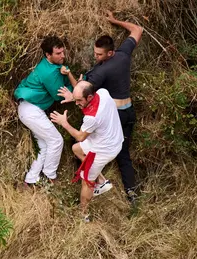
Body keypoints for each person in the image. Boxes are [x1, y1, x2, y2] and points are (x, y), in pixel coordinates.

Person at [81, 11, 143, 205]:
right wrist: (115, 21)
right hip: (129, 111)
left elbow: (84, 91)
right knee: (123, 153)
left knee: (85, 147)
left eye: (99, 54)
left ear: (109, 53)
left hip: (115, 117)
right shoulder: (124, 54)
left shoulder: (100, 72)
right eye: (95, 53)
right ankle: (132, 194)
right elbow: (137, 29)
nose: (96, 57)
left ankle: (98, 182)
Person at [50, 82, 123, 222]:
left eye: (79, 101)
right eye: (75, 100)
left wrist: (63, 122)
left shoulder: (92, 118)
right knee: (76, 149)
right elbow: (80, 141)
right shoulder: (103, 93)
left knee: (87, 182)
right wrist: (73, 97)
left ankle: (83, 214)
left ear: (89, 97)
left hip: (102, 151)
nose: (76, 103)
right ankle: (101, 181)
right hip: (113, 138)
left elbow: (80, 136)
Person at [13, 36, 78, 189]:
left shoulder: (49, 66)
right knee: (56, 140)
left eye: (63, 52)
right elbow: (58, 95)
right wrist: (76, 87)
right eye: (58, 53)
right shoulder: (50, 73)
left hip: (29, 108)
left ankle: (30, 180)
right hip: (31, 110)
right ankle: (49, 176)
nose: (62, 56)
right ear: (48, 55)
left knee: (44, 144)